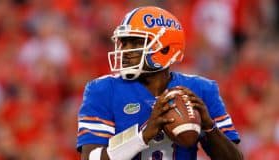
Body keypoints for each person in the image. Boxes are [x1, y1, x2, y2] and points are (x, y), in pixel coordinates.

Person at [77, 6, 243, 160]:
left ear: (165, 48)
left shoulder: (201, 90)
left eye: (135, 42)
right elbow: (90, 157)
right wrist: (142, 135)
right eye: (124, 42)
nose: (125, 51)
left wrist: (209, 127)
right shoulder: (103, 90)